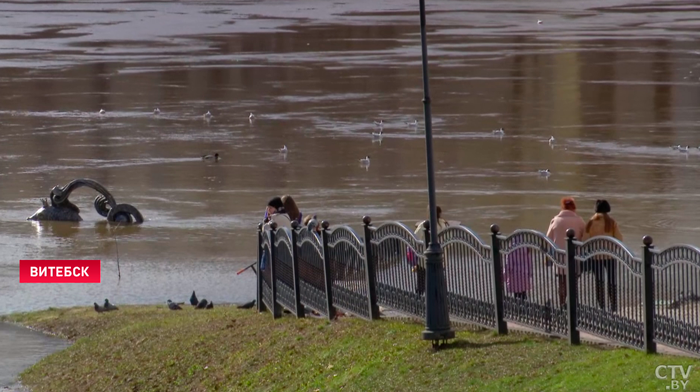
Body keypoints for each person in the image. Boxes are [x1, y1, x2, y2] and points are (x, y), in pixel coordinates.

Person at [581, 199, 622, 313]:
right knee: (612, 280)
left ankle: (602, 307)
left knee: (599, 281)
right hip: (610, 256)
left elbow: (584, 240)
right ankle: (613, 306)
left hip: (596, 257)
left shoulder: (590, 223)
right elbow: (619, 239)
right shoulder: (611, 222)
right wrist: (613, 248)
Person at [545, 197, 586, 308]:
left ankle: (562, 304)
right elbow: (585, 237)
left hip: (559, 258)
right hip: (575, 257)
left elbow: (548, 239)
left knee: (562, 283)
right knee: (573, 283)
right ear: (574, 207)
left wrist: (548, 257)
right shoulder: (579, 220)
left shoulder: (555, 220)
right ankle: (574, 305)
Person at [411, 206, 450, 295]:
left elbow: (415, 239)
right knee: (439, 281)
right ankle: (442, 299)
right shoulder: (445, 225)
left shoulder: (424, 225)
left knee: (421, 282)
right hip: (440, 259)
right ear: (440, 213)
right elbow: (449, 242)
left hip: (424, 260)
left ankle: (419, 300)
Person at [260, 197, 291, 271]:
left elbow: (265, 229)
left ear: (277, 208)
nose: (268, 210)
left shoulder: (276, 218)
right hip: (285, 247)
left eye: (270, 208)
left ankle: (264, 268)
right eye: (267, 208)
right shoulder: (286, 216)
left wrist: (266, 221)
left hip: (279, 250)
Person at [504, 235, 532, 300]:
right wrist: (530, 273)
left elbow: (509, 265)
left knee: (516, 294)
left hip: (515, 277)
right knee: (523, 293)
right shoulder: (526, 249)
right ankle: (525, 305)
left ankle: (519, 307)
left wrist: (505, 276)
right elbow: (529, 263)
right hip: (525, 274)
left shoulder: (511, 249)